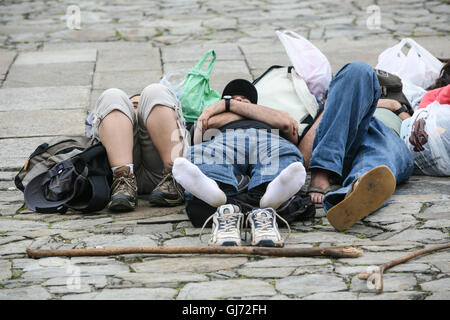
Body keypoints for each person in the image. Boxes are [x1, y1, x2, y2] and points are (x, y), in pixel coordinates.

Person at [172, 79, 308, 247]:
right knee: (202, 154)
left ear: (255, 105)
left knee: (283, 155)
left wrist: (228, 105)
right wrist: (252, 112)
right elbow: (202, 130)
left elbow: (286, 124)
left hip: (269, 140)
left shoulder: (222, 112)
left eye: (245, 100)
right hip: (224, 140)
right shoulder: (263, 116)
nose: (238, 100)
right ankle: (215, 191)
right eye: (232, 98)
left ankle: (272, 193)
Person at [303, 62, 414, 231]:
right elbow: (304, 154)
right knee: (359, 69)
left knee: (378, 149)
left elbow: (415, 132)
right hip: (344, 138)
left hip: (387, 138)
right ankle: (324, 172)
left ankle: (356, 189)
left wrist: (397, 108)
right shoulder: (339, 98)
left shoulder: (400, 103)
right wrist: (330, 107)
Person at [90, 84, 188, 212]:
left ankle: (174, 177)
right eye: (133, 107)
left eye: (142, 107)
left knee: (155, 91)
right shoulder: (121, 117)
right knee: (112, 95)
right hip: (116, 175)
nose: (138, 111)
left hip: (160, 170)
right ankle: (123, 180)